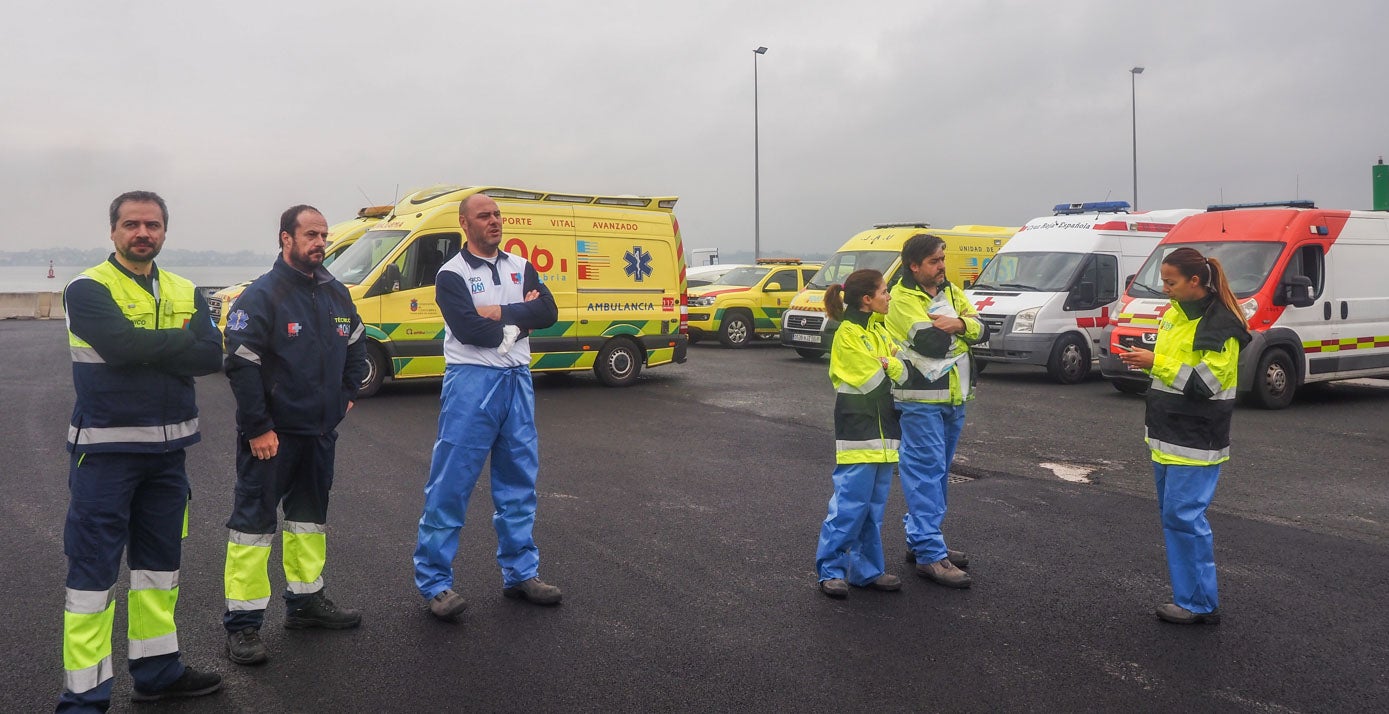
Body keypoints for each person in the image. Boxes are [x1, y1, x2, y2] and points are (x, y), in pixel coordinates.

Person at [58, 191, 224, 711]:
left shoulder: (183, 288)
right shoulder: (87, 289)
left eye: (152, 225)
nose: (142, 233)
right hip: (105, 456)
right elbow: (122, 348)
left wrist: (150, 347)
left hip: (169, 456)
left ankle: (157, 671)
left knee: (159, 570)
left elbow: (211, 354)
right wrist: (175, 346)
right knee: (92, 578)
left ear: (165, 232)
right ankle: (84, 699)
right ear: (113, 231)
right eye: (131, 224)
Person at [221, 204, 367, 664]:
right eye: (310, 234)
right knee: (253, 528)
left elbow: (357, 344)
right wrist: (258, 427)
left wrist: (346, 395)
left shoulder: (336, 292)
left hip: (320, 433)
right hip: (273, 439)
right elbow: (241, 363)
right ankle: (243, 626)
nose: (320, 242)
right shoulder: (263, 295)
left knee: (308, 523)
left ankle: (305, 604)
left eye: (324, 235)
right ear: (286, 238)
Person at [413, 193, 561, 621]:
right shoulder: (451, 274)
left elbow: (548, 310)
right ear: (465, 224)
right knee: (450, 484)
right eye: (484, 216)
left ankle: (521, 573)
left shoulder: (521, 266)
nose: (494, 221)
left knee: (518, 481)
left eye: (497, 214)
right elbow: (468, 327)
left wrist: (503, 314)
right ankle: (435, 583)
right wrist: (518, 323)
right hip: (471, 385)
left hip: (517, 382)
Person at [1118, 246, 1250, 625]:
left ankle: (1198, 603)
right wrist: (1147, 361)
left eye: (1170, 282)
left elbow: (1205, 384)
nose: (1165, 289)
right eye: (1164, 281)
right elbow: (1174, 374)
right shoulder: (1175, 316)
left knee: (1183, 518)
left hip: (1196, 440)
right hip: (1167, 436)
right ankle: (1191, 597)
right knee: (1175, 518)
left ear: (1195, 281)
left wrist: (1153, 362)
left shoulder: (1220, 325)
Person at [886, 234, 989, 589]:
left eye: (942, 258)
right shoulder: (901, 298)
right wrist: (959, 330)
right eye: (934, 261)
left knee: (939, 472)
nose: (942, 266)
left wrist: (958, 325)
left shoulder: (951, 293)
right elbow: (930, 342)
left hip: (954, 398)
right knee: (925, 472)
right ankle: (931, 554)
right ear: (914, 266)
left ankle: (924, 540)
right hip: (919, 400)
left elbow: (981, 329)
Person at [814, 269, 909, 599]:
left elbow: (902, 368)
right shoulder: (848, 334)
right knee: (849, 507)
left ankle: (867, 571)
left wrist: (889, 364)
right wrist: (888, 366)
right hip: (859, 432)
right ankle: (830, 570)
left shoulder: (878, 331)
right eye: (884, 292)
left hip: (884, 436)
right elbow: (874, 381)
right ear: (867, 299)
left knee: (873, 510)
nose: (889, 297)